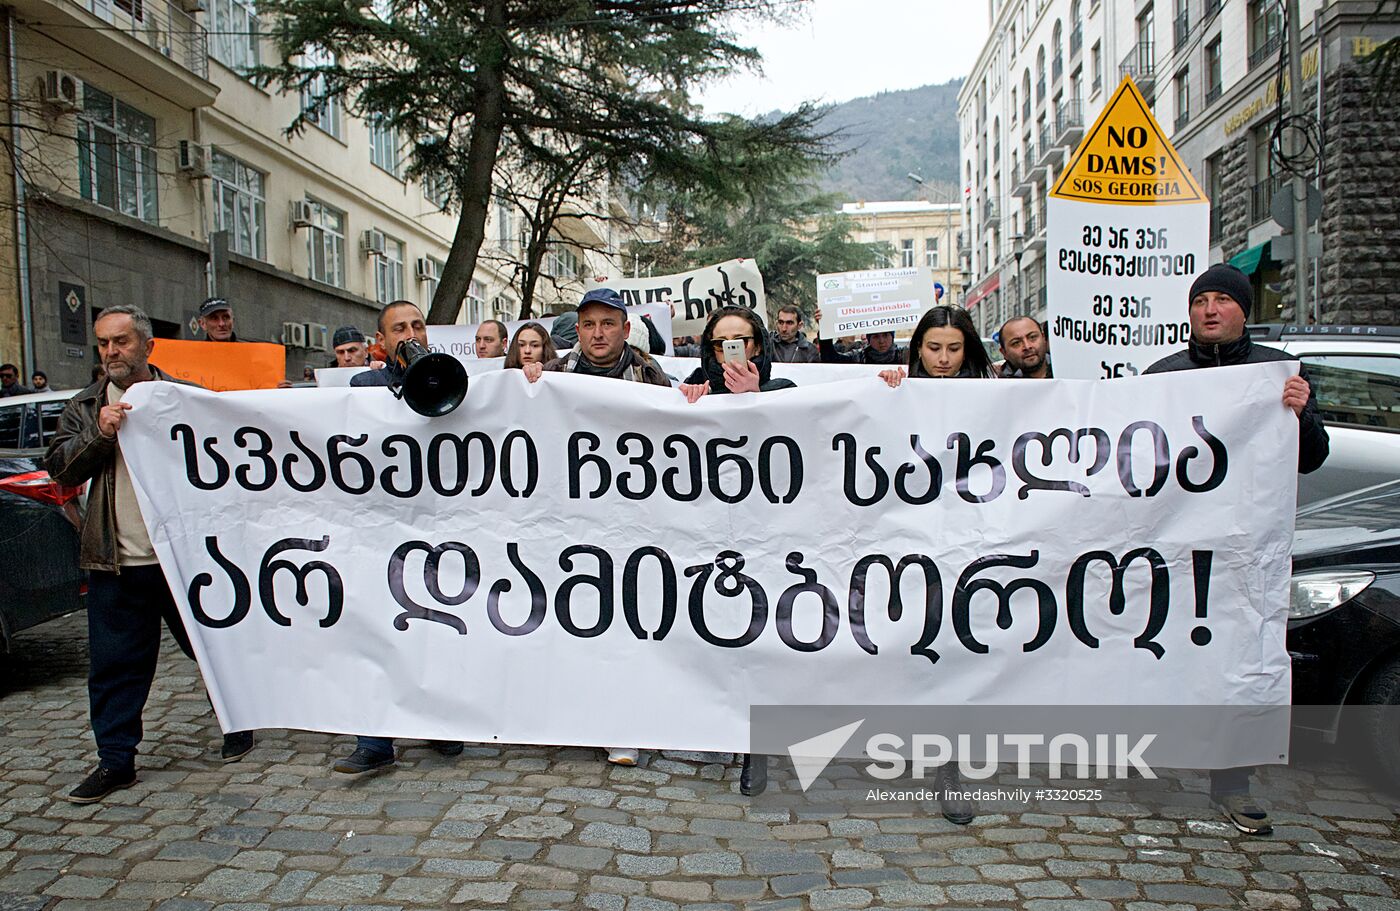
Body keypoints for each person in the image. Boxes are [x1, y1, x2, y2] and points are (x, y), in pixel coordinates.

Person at [1145, 263, 1329, 837]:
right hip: (1177, 545)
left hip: (1245, 548)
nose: (1210, 309)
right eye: (1201, 300)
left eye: (1223, 299)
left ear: (1244, 310)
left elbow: (1311, 457)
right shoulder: (1162, 376)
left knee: (1240, 652)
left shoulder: (1276, 375)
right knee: (1165, 646)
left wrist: (1300, 413)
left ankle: (1234, 782)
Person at [45, 305, 253, 804]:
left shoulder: (184, 399)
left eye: (121, 342)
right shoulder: (85, 406)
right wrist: (101, 431)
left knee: (213, 648)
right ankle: (116, 761)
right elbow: (61, 470)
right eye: (103, 344)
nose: (112, 353)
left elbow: (232, 450)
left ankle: (238, 722)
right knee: (115, 666)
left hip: (185, 561)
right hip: (117, 560)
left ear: (147, 345)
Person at [525, 288, 669, 768]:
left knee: (626, 619)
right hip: (572, 520)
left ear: (625, 329)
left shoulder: (648, 373)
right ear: (578, 329)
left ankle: (623, 727)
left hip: (633, 519)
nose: (598, 333)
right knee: (579, 617)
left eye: (608, 323)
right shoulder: (557, 373)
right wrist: (525, 384)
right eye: (588, 324)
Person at [677, 305, 795, 796]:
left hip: (768, 535)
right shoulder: (693, 390)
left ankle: (756, 747)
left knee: (761, 634)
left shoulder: (783, 393)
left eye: (741, 340)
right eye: (720, 341)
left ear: (757, 346)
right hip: (710, 534)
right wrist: (684, 403)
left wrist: (755, 402)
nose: (731, 350)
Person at [342, 300, 464, 772]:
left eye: (417, 326)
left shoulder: (453, 376)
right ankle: (373, 741)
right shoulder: (364, 386)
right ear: (382, 340)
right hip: (382, 531)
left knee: (437, 629)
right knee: (376, 631)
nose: (410, 334)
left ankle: (437, 725)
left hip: (441, 530)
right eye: (399, 329)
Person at [879, 305, 997, 387]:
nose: (944, 359)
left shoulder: (989, 391)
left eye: (954, 349)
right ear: (919, 347)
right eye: (934, 348)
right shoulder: (902, 386)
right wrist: (888, 384)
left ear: (965, 351)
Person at [812, 309, 905, 365]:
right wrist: (825, 327)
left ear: (892, 337)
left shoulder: (904, 356)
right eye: (876, 337)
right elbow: (830, 359)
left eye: (885, 335)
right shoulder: (859, 356)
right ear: (869, 339)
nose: (881, 341)